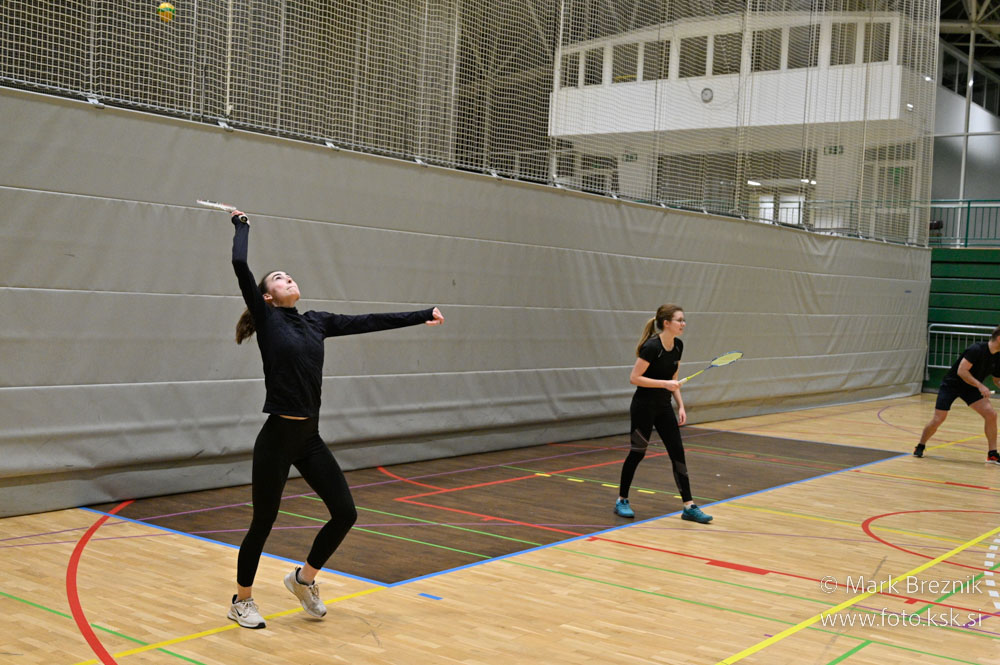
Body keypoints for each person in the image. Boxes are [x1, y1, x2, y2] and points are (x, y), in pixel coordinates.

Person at [226, 211, 444, 629]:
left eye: (289, 276)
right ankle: (242, 600)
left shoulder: (317, 322)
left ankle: (303, 580)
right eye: (278, 279)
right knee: (263, 522)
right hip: (277, 439)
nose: (288, 279)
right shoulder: (267, 319)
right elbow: (239, 264)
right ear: (267, 297)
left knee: (345, 512)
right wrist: (242, 225)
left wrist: (422, 314)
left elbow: (368, 322)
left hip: (308, 438)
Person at [614, 304, 712, 524]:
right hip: (643, 407)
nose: (683, 324)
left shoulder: (678, 346)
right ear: (666, 323)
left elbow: (674, 379)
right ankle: (622, 500)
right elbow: (634, 378)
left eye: (684, 320)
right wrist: (664, 384)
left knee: (678, 453)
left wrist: (681, 406)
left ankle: (689, 506)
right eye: (679, 320)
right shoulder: (652, 347)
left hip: (664, 407)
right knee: (637, 453)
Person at [914, 325, 1000, 465]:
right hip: (952, 385)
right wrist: (980, 385)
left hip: (970, 388)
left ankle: (992, 454)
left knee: (991, 414)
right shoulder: (976, 349)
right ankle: (920, 445)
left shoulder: (998, 357)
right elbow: (962, 371)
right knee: (938, 419)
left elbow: (997, 380)